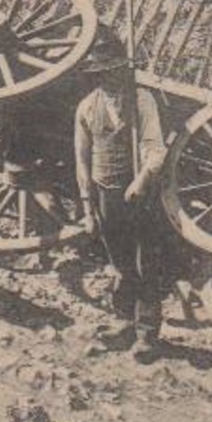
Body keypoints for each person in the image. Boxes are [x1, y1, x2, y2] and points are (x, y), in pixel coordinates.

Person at [74, 36, 172, 362]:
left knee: (147, 263)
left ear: (123, 70)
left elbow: (156, 148)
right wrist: (88, 207)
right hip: (106, 193)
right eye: (102, 73)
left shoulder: (142, 100)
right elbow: (82, 161)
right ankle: (123, 321)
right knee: (119, 260)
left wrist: (143, 179)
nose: (109, 78)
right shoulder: (87, 106)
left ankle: (147, 334)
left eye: (115, 70)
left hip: (140, 194)